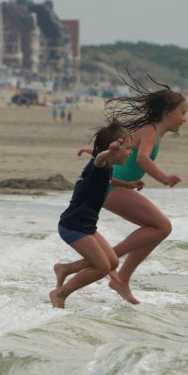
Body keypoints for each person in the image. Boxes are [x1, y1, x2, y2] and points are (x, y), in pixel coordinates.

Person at [55, 74, 186, 304]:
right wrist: (163, 178)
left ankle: (117, 273)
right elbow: (143, 158)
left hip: (115, 185)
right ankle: (115, 269)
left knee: (159, 227)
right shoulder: (149, 132)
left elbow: (118, 149)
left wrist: (94, 152)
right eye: (182, 112)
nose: (184, 119)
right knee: (162, 226)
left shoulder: (151, 133)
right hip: (110, 187)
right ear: (168, 111)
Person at [49, 120, 142, 308]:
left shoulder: (106, 169)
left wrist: (128, 185)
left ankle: (65, 269)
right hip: (73, 226)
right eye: (128, 148)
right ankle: (60, 294)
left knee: (113, 262)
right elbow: (100, 158)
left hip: (87, 226)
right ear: (113, 150)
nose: (130, 152)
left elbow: (109, 179)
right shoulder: (97, 165)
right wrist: (110, 150)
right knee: (101, 267)